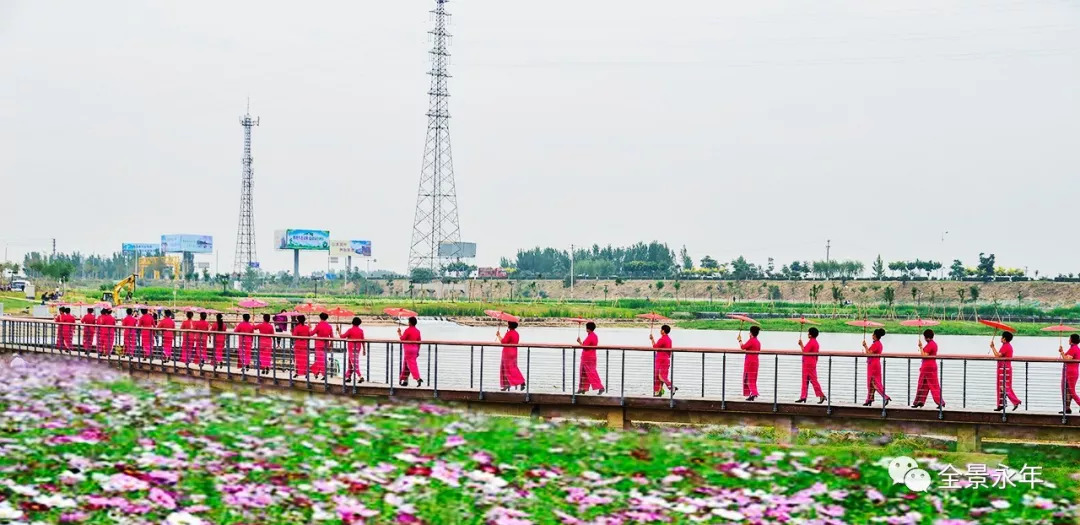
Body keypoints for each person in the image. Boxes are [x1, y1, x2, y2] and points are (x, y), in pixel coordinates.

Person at [990, 331, 1022, 411]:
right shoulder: (1006, 346)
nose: (1001, 338)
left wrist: (993, 347)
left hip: (1004, 369)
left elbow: (997, 355)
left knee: (1004, 387)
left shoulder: (1006, 346)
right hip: (1003, 368)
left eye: (1002, 337)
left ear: (1004, 339)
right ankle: (1001, 404)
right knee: (1001, 386)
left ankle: (1015, 401)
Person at [912, 329, 944, 409]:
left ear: (927, 337)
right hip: (932, 366)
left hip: (927, 367)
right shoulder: (934, 344)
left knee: (922, 384)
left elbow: (924, 355)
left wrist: (920, 346)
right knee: (932, 385)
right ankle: (938, 402)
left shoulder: (930, 345)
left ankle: (919, 401)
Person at [861, 328, 891, 406]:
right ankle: (869, 399)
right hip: (874, 364)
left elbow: (869, 353)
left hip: (873, 366)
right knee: (871, 383)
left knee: (875, 383)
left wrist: (865, 346)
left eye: (873, 334)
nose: (872, 335)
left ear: (875, 336)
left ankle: (885, 397)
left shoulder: (876, 344)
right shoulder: (878, 344)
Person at [796, 327, 826, 404]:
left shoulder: (812, 342)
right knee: (807, 380)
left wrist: (801, 345)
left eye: (808, 333)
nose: (807, 334)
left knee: (811, 380)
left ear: (811, 334)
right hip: (811, 363)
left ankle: (820, 395)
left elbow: (805, 351)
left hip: (808, 364)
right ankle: (803, 396)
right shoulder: (815, 342)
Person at [575, 321, 604, 394]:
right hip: (592, 357)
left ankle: (600, 387)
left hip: (587, 358)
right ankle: (583, 389)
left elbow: (585, 347)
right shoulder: (594, 336)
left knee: (587, 373)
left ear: (588, 328)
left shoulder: (590, 336)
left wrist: (579, 342)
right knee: (587, 372)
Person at [497, 320, 526, 392]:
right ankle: (520, 382)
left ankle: (509, 384)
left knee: (506, 368)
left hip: (507, 352)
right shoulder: (516, 333)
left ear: (509, 325)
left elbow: (503, 342)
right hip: (514, 352)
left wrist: (498, 336)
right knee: (513, 367)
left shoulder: (509, 333)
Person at [650, 324, 676, 397]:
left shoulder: (662, 339)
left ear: (663, 331)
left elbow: (655, 347)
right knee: (661, 376)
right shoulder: (669, 339)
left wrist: (652, 339)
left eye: (661, 329)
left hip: (661, 360)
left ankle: (671, 387)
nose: (660, 330)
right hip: (666, 359)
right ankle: (659, 392)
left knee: (660, 376)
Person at [737, 325, 761, 401]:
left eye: (749, 332)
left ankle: (753, 393)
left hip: (750, 362)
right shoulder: (757, 341)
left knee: (749, 378)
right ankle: (752, 393)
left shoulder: (752, 340)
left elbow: (743, 347)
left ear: (751, 333)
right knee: (753, 378)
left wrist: (740, 340)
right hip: (755, 361)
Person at [398, 317, 422, 387]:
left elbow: (402, 339)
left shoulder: (407, 330)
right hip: (415, 349)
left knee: (411, 365)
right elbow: (419, 342)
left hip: (408, 350)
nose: (408, 323)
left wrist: (399, 333)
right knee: (406, 365)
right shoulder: (417, 331)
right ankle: (404, 380)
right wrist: (418, 351)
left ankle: (418, 378)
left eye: (408, 322)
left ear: (410, 323)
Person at [1059, 334, 1080, 415]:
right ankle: (1067, 408)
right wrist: (1062, 352)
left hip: (1070, 372)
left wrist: (1061, 352)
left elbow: (1067, 359)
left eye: (1069, 339)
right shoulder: (1075, 348)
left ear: (1072, 340)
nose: (1068, 340)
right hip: (1072, 371)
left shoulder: (1074, 349)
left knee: (1070, 390)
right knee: (1067, 390)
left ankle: (1073, 405)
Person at [341, 317, 366, 382]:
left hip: (351, 348)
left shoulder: (350, 330)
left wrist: (338, 331)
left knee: (354, 362)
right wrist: (364, 349)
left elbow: (342, 336)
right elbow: (363, 340)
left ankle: (360, 376)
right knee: (350, 362)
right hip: (358, 348)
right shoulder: (361, 331)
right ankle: (348, 376)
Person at [310, 312, 333, 379]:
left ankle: (323, 373)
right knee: (322, 359)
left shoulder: (318, 326)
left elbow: (311, 333)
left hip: (318, 344)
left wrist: (310, 327)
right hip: (326, 344)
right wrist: (331, 345)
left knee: (320, 360)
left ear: (320, 317)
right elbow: (332, 337)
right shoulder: (329, 326)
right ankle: (316, 372)